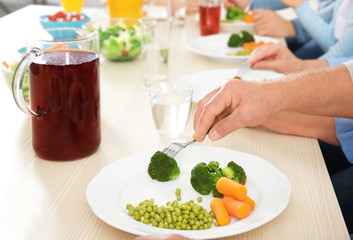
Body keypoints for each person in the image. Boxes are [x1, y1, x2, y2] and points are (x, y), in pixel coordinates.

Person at [224, 0, 353, 60]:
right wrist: (251, 4)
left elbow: (340, 54)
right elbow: (334, 35)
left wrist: (293, 27)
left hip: (333, 53)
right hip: (329, 42)